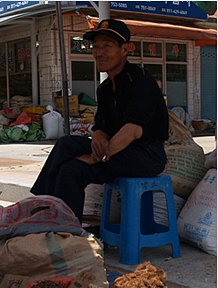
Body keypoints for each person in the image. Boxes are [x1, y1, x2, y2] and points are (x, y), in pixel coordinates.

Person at [30, 19, 168, 223]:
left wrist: (96, 158)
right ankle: (57, 221)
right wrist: (98, 134)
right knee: (68, 157)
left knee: (71, 157)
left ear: (125, 49)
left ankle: (45, 212)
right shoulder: (104, 89)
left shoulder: (140, 82)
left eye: (107, 46)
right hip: (118, 151)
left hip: (145, 155)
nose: (99, 52)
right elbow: (102, 125)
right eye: (95, 47)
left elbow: (132, 131)